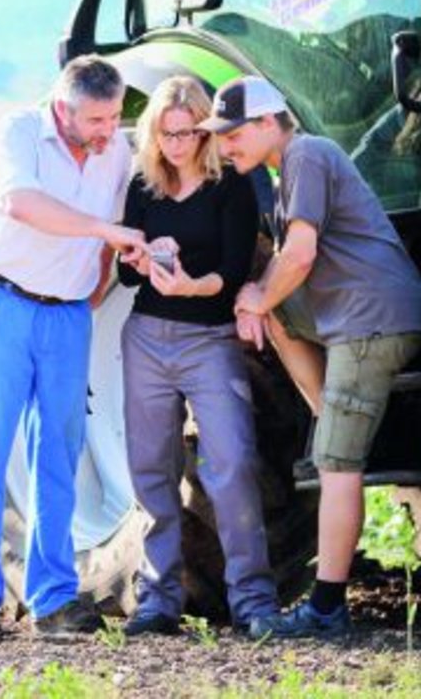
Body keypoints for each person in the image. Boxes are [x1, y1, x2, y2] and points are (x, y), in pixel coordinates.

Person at [203, 74, 421, 639]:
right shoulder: (289, 170)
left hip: (370, 322)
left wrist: (257, 297)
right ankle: (326, 414)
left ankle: (327, 609)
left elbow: (300, 255)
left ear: (267, 122)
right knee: (270, 305)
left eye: (233, 134)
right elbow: (287, 273)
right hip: (361, 317)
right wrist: (260, 301)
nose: (224, 146)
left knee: (336, 466)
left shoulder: (306, 154)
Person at [0, 54, 146, 643]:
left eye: (114, 116)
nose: (108, 130)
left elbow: (110, 232)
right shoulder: (18, 134)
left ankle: (54, 598)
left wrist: (94, 285)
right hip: (0, 301)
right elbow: (20, 203)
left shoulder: (115, 151)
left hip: (66, 315)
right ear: (63, 108)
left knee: (60, 454)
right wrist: (105, 233)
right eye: (96, 119)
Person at [115, 75, 281, 638]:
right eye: (166, 134)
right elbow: (124, 274)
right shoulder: (143, 186)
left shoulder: (231, 186)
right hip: (146, 338)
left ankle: (253, 600)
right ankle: (157, 598)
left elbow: (232, 272)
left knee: (232, 464)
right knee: (150, 468)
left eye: (187, 133)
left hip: (209, 339)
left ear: (205, 131)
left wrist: (190, 286)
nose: (176, 145)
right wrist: (140, 260)